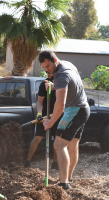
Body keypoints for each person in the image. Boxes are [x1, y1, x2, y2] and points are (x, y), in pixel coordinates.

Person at [39, 50, 90, 190]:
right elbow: (69, 84)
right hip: (84, 109)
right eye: (44, 67)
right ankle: (68, 178)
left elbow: (60, 104)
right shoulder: (67, 64)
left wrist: (50, 122)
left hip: (74, 111)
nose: (47, 70)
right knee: (72, 145)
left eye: (48, 66)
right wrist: (54, 86)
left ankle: (63, 183)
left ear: (55, 61)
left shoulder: (61, 75)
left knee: (59, 145)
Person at [24, 72, 61, 169]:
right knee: (37, 138)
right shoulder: (43, 84)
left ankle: (55, 163)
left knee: (56, 140)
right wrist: (39, 113)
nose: (48, 74)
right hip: (44, 116)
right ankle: (28, 161)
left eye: (50, 72)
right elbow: (39, 102)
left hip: (57, 115)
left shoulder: (61, 84)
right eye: (47, 72)